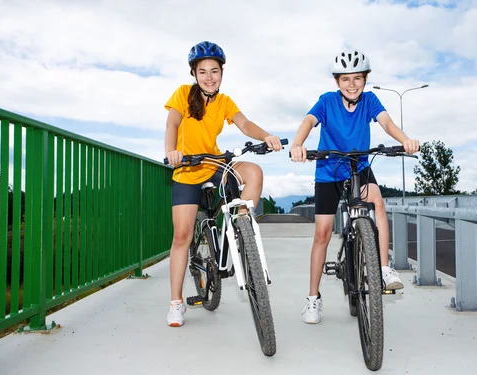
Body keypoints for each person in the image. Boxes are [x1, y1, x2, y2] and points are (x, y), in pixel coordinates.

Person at [290, 50, 420, 324]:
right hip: (328, 170)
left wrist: (405, 139)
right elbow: (308, 122)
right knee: (322, 233)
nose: (352, 84)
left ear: (365, 79)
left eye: (357, 78)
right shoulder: (327, 101)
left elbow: (386, 123)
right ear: (337, 81)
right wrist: (298, 144)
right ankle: (313, 299)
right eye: (346, 79)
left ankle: (384, 269)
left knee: (377, 202)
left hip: (358, 166)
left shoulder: (370, 100)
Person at [164, 40, 283, 327]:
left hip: (215, 163)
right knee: (182, 237)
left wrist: (266, 135)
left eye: (214, 71)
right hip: (188, 169)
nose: (209, 77)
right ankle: (176, 302)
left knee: (253, 171)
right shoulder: (182, 94)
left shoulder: (225, 101)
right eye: (203, 71)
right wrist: (172, 151)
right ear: (194, 73)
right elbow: (172, 124)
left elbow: (244, 123)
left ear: (221, 73)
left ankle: (243, 227)